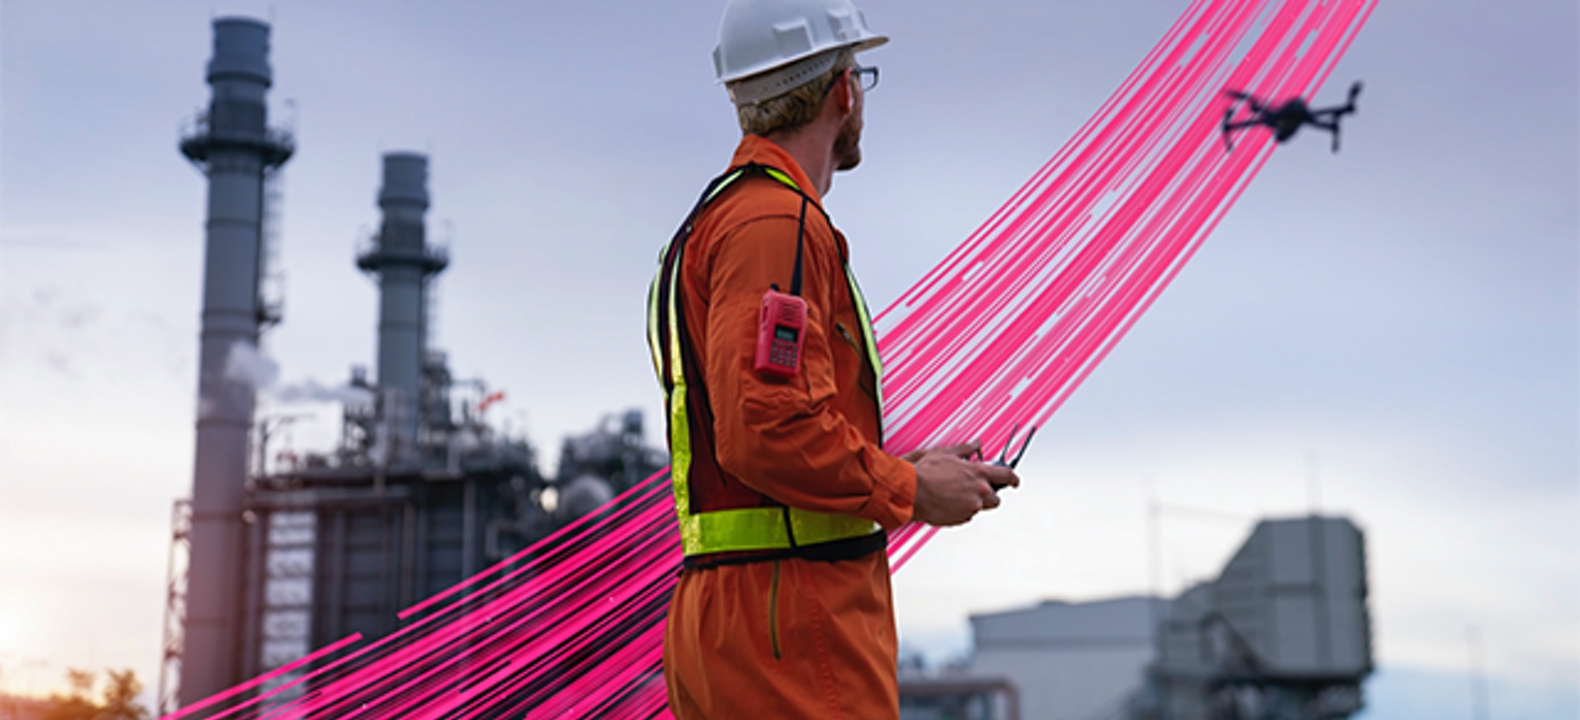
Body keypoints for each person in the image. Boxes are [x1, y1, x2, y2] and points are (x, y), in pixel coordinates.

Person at [647, 0, 1019, 716]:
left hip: (749, 611)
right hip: (791, 621)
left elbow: (765, 430)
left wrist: (907, 470)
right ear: (842, 91)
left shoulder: (719, 221)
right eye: (860, 77)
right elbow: (767, 430)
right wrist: (910, 493)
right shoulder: (772, 225)